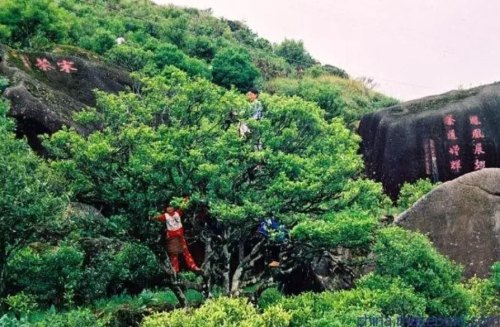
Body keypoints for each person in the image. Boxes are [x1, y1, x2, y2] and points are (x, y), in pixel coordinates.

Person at [152, 198, 201, 273]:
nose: (169, 208)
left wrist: (186, 199)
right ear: (166, 209)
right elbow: (158, 218)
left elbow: (183, 206)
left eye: (171, 207)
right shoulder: (165, 216)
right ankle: (175, 270)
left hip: (180, 236)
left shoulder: (178, 213)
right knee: (174, 254)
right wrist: (151, 217)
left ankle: (193, 266)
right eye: (168, 207)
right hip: (172, 238)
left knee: (186, 251)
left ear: (173, 208)